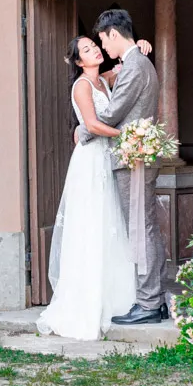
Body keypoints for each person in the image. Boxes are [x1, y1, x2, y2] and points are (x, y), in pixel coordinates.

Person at [35, 33, 151, 340]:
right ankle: (85, 303)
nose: (96, 51)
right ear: (78, 61)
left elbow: (127, 63)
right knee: (91, 225)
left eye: (95, 46)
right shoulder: (83, 86)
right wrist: (130, 136)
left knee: (110, 224)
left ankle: (117, 298)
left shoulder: (105, 79)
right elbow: (94, 124)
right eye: (87, 49)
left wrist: (140, 45)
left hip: (107, 157)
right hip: (90, 160)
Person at [76, 8, 167, 325]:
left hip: (133, 158)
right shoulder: (135, 63)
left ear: (113, 34)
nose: (103, 46)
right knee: (146, 226)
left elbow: (113, 113)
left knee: (141, 229)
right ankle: (155, 299)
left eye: (103, 39)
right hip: (136, 156)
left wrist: (83, 130)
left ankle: (149, 303)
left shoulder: (134, 66)